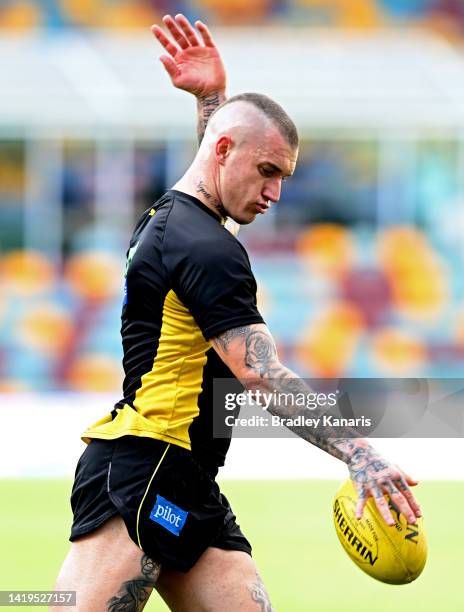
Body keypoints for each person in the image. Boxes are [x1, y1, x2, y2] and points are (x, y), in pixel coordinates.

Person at [54, 15, 421, 612]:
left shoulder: (178, 222)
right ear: (224, 151)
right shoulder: (206, 247)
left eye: (284, 177)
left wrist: (211, 100)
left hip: (185, 476)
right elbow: (257, 373)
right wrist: (361, 452)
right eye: (268, 171)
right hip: (143, 471)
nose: (276, 194)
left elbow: (215, 177)